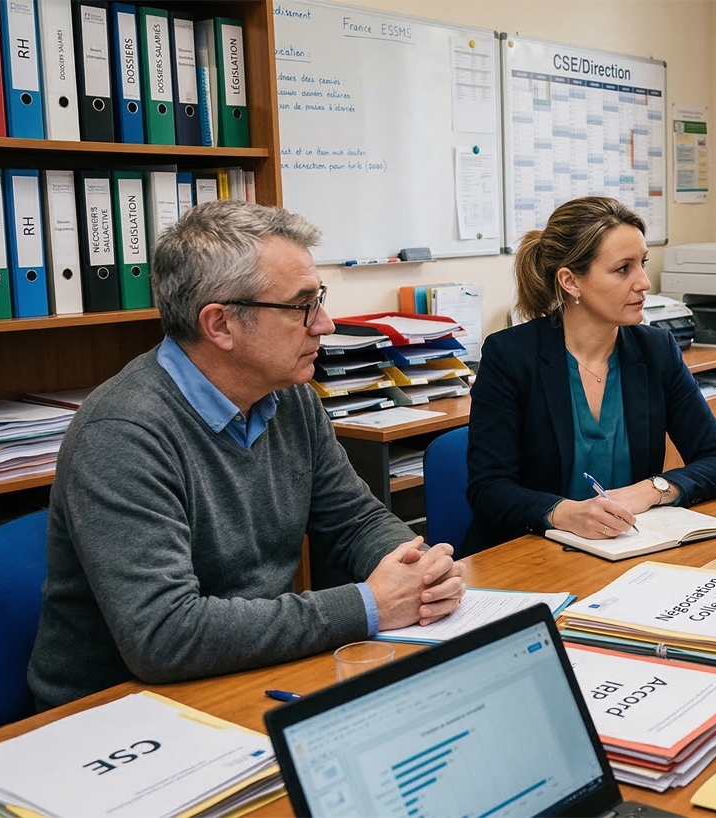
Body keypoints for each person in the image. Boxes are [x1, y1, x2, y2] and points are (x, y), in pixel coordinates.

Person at [28, 201, 465, 709]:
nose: (324, 325)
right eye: (301, 306)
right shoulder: (122, 433)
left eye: (318, 300)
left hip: (247, 672)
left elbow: (353, 520)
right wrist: (370, 605)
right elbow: (165, 635)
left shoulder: (288, 394)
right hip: (118, 712)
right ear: (220, 325)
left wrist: (420, 571)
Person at [466, 197, 716, 551]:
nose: (643, 282)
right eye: (623, 269)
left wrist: (651, 489)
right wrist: (565, 513)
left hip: (628, 549)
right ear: (570, 281)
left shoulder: (656, 351)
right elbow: (488, 489)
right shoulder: (511, 356)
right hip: (532, 553)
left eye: (642, 264)